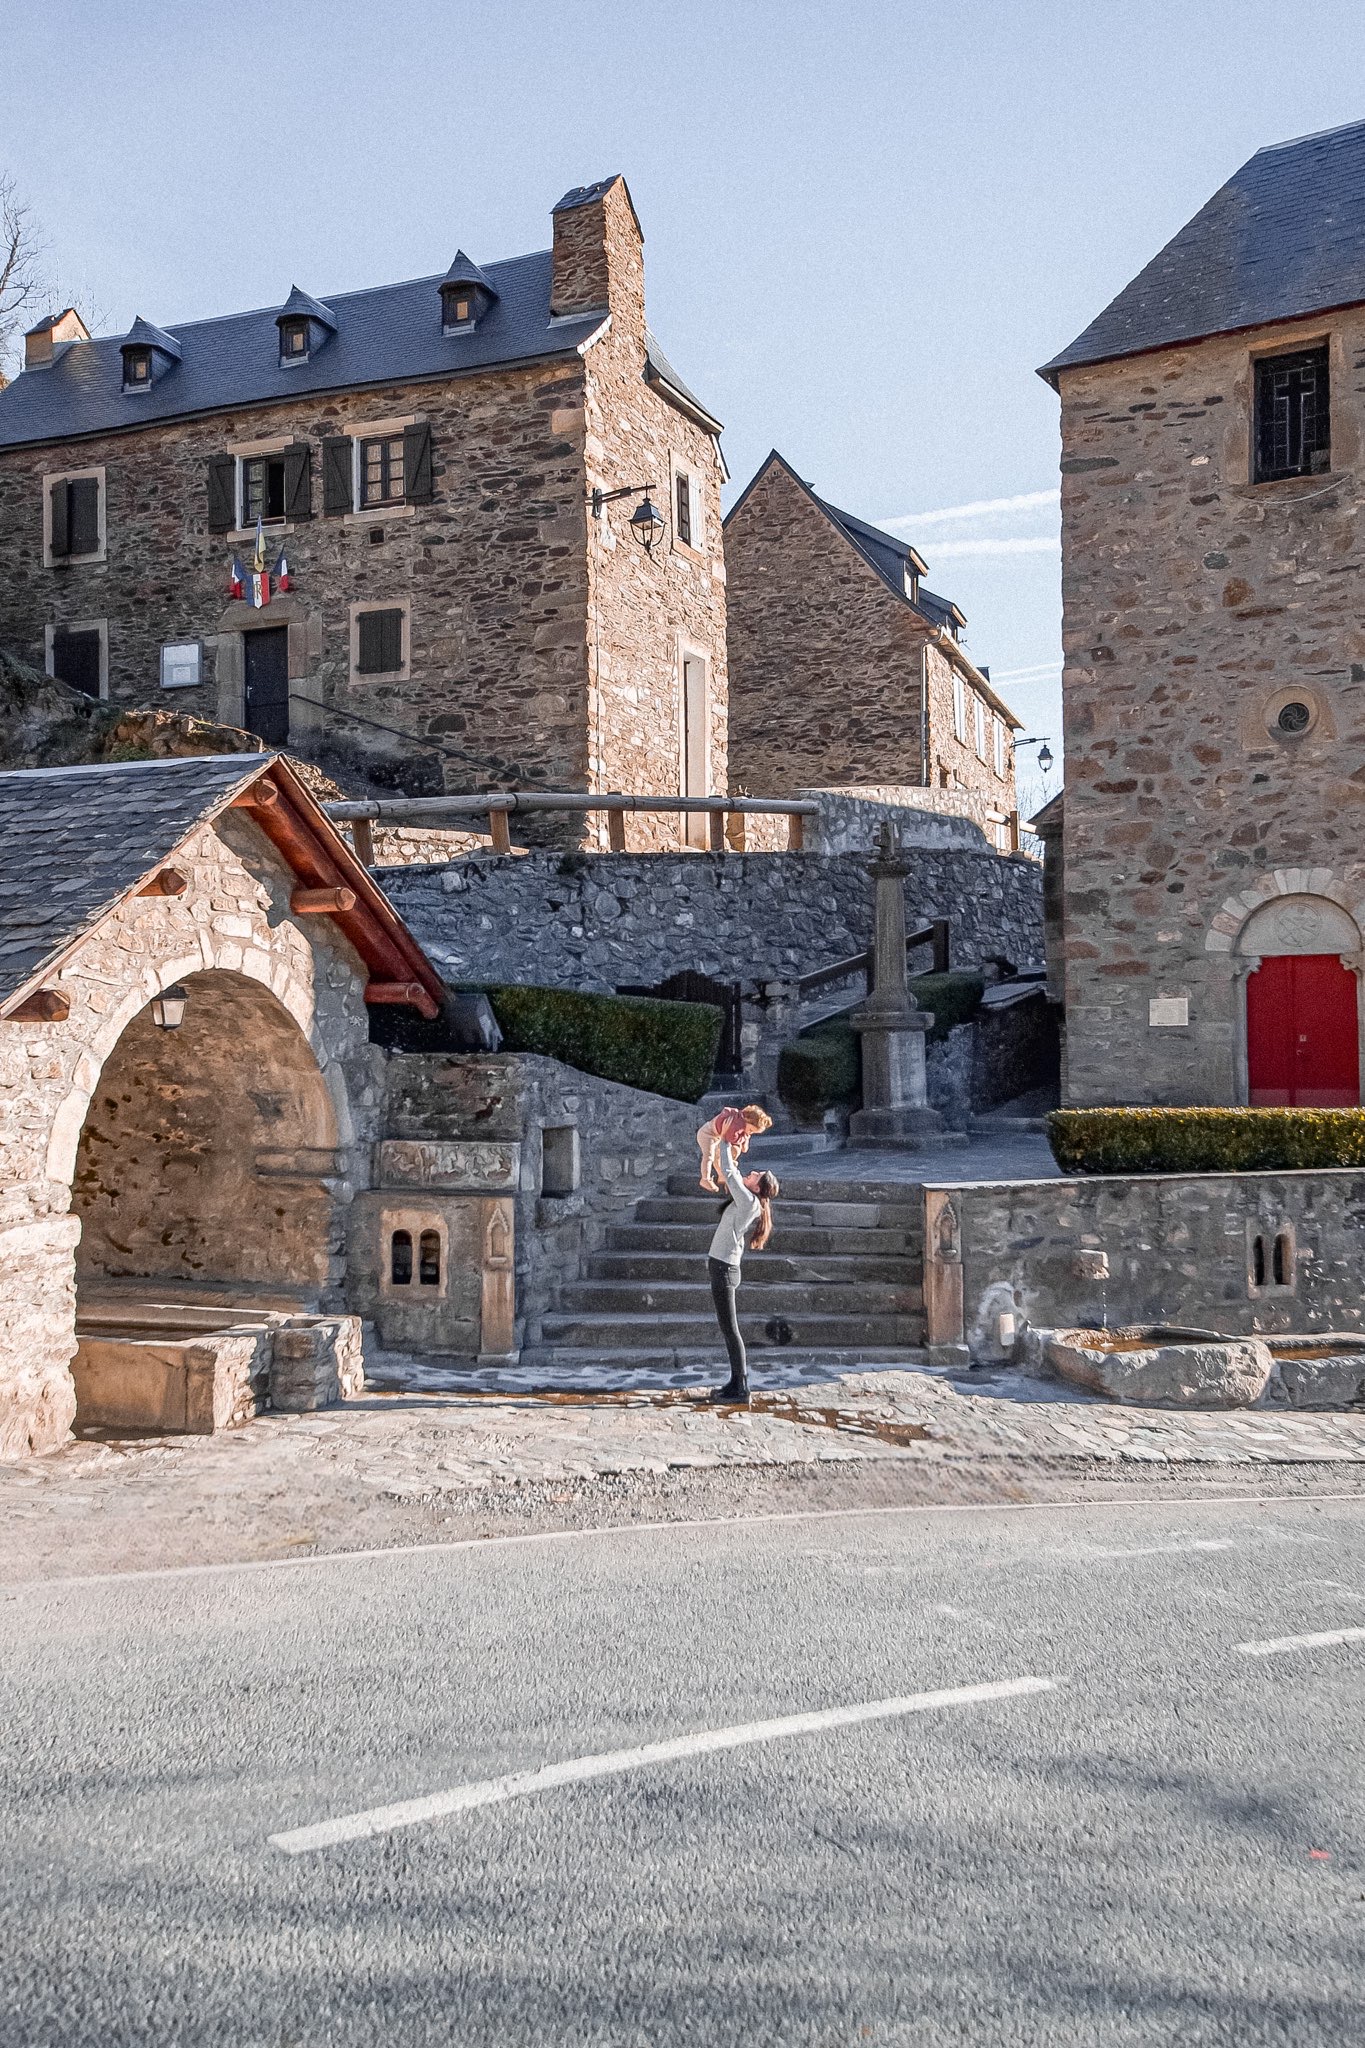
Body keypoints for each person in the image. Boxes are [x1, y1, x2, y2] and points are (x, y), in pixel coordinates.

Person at [706, 1141, 779, 1405]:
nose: (750, 1174)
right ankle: (736, 1383)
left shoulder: (749, 1202)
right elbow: (732, 1172)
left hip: (725, 1270)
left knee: (731, 1330)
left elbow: (728, 1169)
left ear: (757, 1187)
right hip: (722, 1267)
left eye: (754, 1176)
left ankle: (741, 1387)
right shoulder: (747, 1200)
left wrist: (726, 1139)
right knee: (729, 1329)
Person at [696, 1103, 773, 1191]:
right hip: (707, 1134)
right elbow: (731, 1138)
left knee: (721, 1156)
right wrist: (745, 1138)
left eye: (752, 1133)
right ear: (748, 1120)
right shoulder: (737, 1124)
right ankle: (705, 1179)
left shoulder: (742, 1122)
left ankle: (722, 1175)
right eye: (751, 1130)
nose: (750, 1133)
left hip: (716, 1137)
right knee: (709, 1156)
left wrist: (745, 1137)